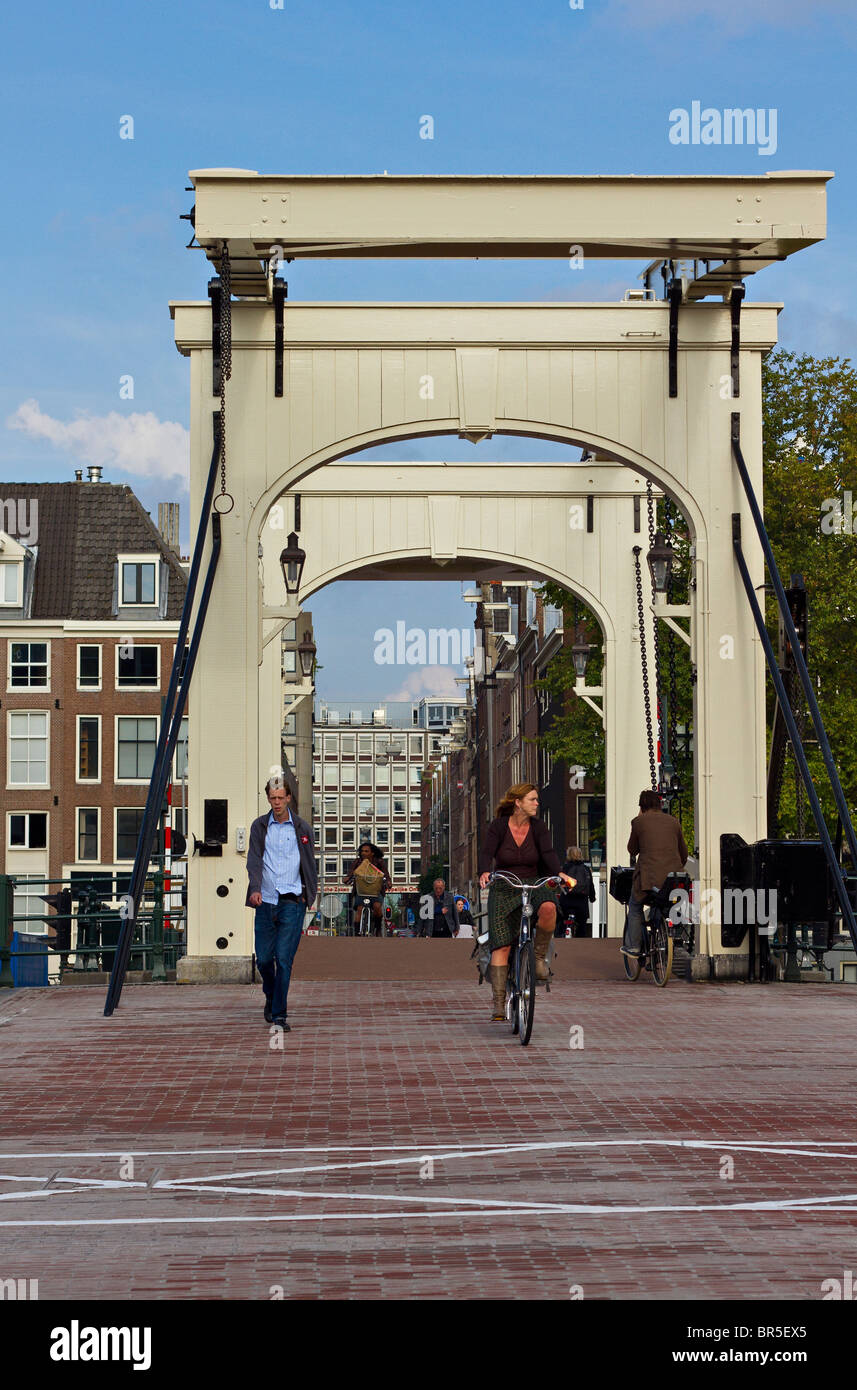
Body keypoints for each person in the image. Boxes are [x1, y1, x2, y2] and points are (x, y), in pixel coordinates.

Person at [478, 783, 575, 1020]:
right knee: (502, 945)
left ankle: (539, 959)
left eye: (537, 799)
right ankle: (498, 1002)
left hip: (534, 882)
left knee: (549, 908)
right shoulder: (498, 827)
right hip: (504, 884)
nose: (537, 803)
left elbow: (548, 854)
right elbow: (487, 853)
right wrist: (484, 871)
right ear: (518, 803)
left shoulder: (539, 827)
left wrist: (560, 874)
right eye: (532, 799)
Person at [246, 778, 317, 1029]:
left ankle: (279, 1015)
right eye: (272, 798)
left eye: (280, 797)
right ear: (268, 798)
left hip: (292, 901)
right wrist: (255, 889)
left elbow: (309, 862)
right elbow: (254, 860)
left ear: (288, 798)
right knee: (264, 959)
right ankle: (271, 994)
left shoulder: (302, 828)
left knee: (284, 959)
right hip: (265, 900)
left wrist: (309, 894)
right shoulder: (259, 826)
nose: (276, 802)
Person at [622, 789, 689, 958]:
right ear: (659, 804)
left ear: (642, 806)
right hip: (673, 880)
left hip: (648, 879)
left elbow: (632, 849)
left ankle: (634, 947)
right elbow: (684, 854)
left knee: (635, 906)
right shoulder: (674, 822)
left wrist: (639, 817)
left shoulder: (638, 822)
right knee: (667, 902)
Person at [345, 841, 391, 935]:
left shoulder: (379, 862)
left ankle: (378, 928)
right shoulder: (357, 862)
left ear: (372, 853)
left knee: (377, 907)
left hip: (376, 891)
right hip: (361, 891)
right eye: (362, 851)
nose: (363, 853)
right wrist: (347, 878)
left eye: (366, 851)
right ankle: (357, 932)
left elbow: (386, 875)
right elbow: (351, 873)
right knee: (359, 909)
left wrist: (388, 881)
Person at [559, 847, 596, 937]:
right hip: (581, 903)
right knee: (582, 929)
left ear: (568, 855)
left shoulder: (565, 868)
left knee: (561, 924)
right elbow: (590, 885)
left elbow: (560, 883)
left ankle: (561, 937)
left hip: (566, 902)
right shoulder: (586, 869)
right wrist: (592, 898)